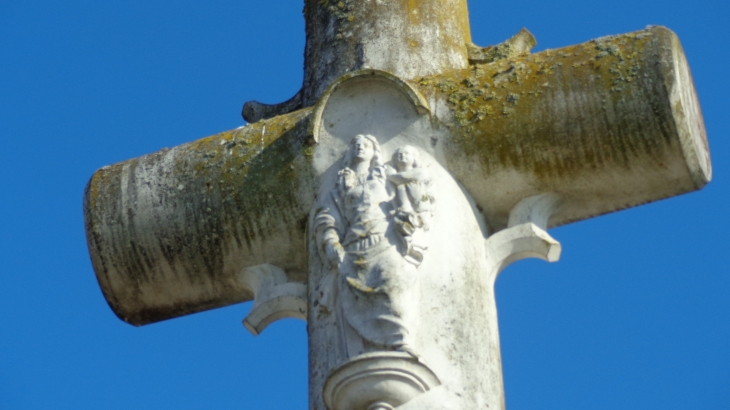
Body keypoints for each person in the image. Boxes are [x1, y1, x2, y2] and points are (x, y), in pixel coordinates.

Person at [314, 135, 417, 355]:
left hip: (385, 243)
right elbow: (328, 220)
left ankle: (401, 341)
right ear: (349, 153)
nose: (360, 145)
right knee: (352, 303)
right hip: (353, 251)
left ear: (374, 152)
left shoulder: (385, 177)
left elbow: (404, 201)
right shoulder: (339, 189)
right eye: (354, 143)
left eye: (366, 144)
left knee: (394, 287)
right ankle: (363, 354)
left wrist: (405, 216)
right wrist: (331, 242)